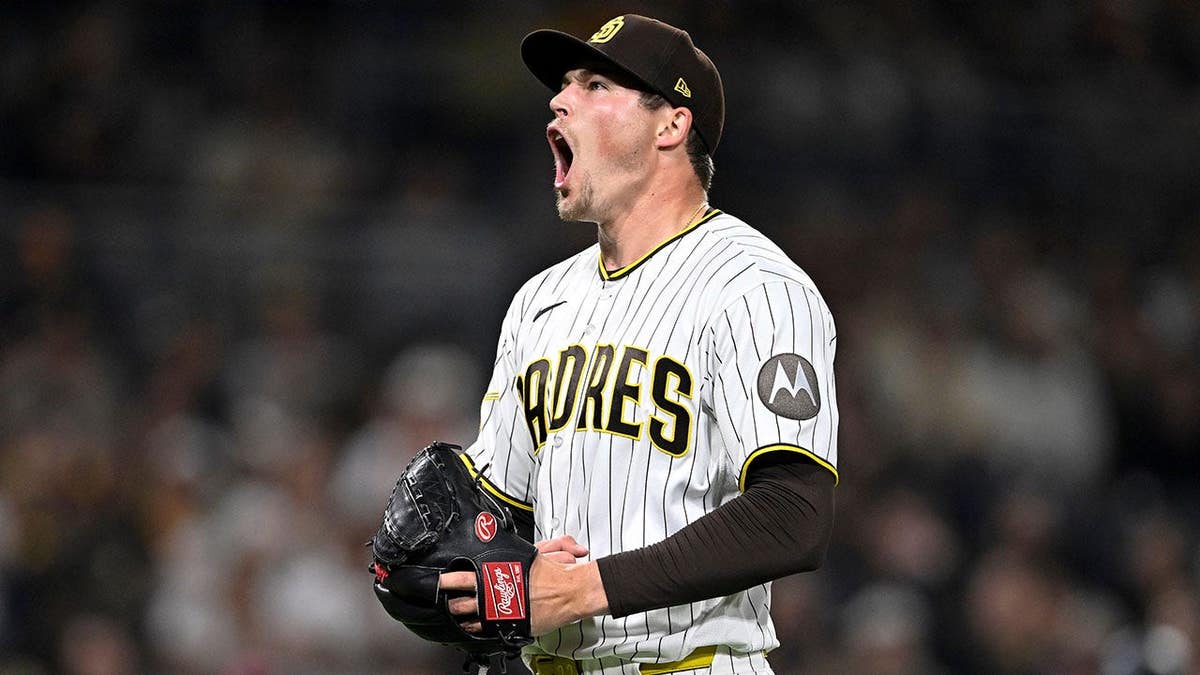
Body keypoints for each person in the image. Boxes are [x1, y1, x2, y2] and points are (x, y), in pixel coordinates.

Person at [440, 14, 839, 674]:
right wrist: (438, 573)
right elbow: (498, 516)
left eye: (595, 84)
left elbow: (792, 514)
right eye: (564, 84)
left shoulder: (757, 286)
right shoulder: (538, 301)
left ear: (670, 125)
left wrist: (582, 587)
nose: (560, 98)